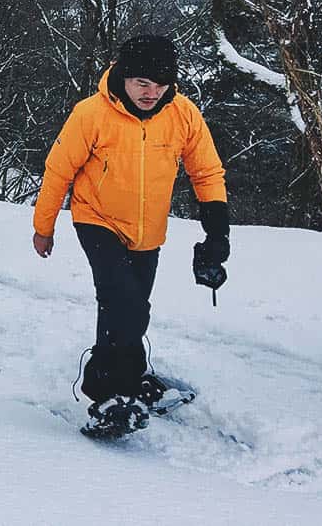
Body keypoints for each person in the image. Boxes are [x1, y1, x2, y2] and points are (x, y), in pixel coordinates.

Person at [32, 34, 230, 436]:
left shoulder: (183, 115)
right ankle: (109, 395)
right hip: (97, 220)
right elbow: (59, 170)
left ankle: (129, 376)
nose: (151, 93)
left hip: (149, 231)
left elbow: (207, 172)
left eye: (160, 84)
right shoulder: (91, 114)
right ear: (123, 75)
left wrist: (217, 235)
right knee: (127, 305)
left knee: (129, 306)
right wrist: (44, 226)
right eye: (142, 83)